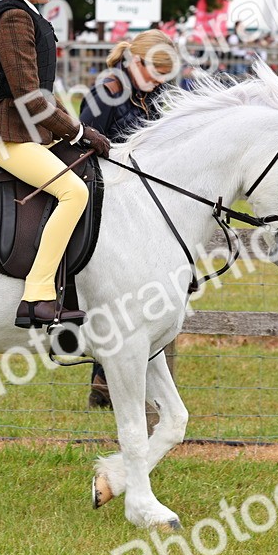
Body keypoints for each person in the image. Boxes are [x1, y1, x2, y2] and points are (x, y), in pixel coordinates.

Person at [0, 0, 111, 329]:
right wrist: (81, 130)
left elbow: (42, 97)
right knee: (73, 193)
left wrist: (76, 131)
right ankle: (37, 293)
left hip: (21, 130)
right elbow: (30, 98)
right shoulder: (13, 17)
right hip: (5, 133)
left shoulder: (26, 14)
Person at [79, 29, 178, 407]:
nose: (158, 83)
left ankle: (108, 374)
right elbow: (86, 144)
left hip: (139, 200)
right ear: (135, 62)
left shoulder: (149, 94)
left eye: (163, 77)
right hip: (109, 197)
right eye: (154, 74)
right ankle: (106, 372)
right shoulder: (107, 92)